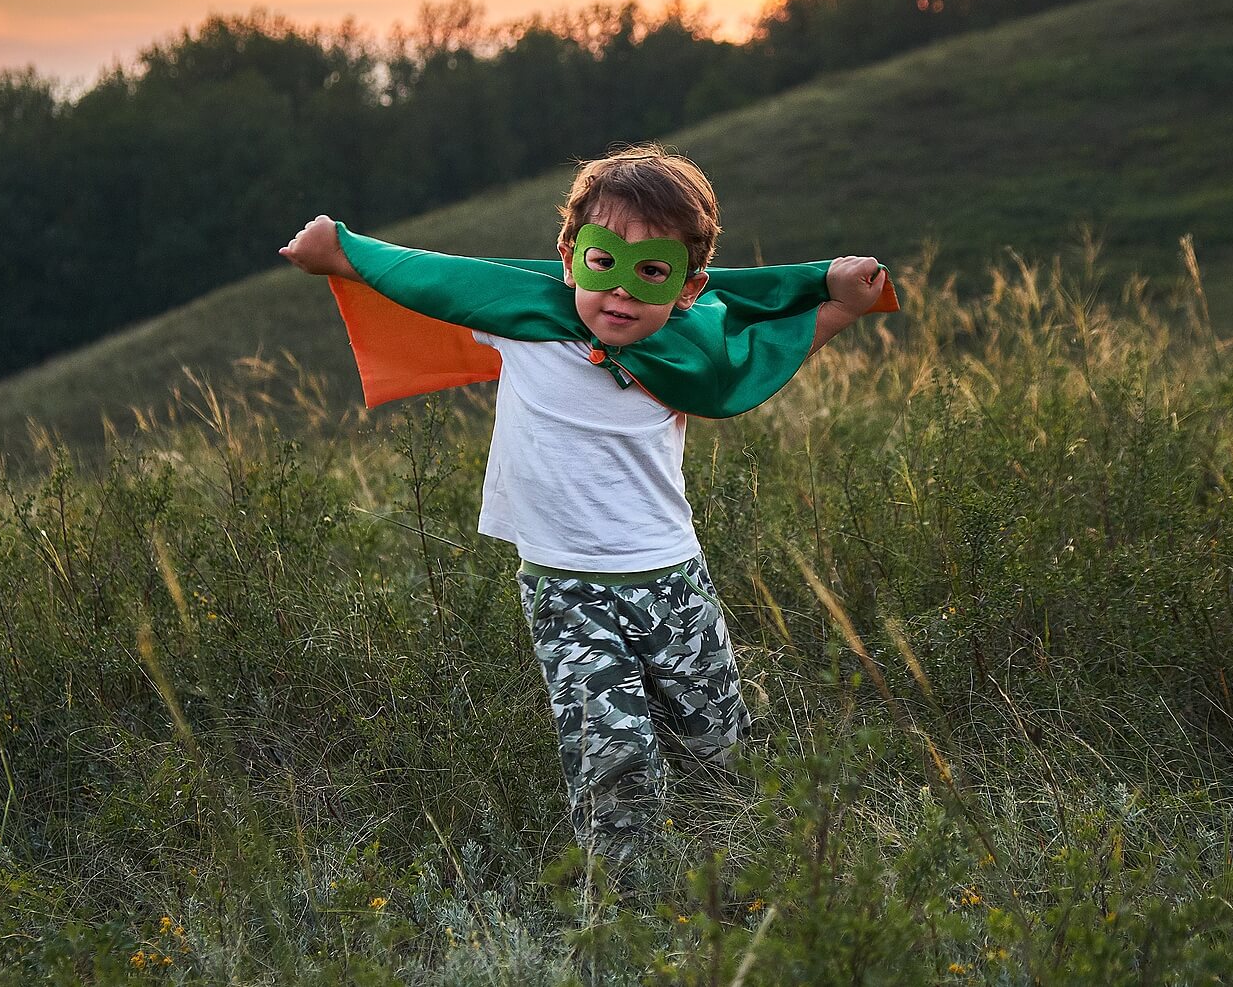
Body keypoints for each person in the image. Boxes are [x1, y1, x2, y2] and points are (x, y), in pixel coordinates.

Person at [279, 144, 891, 865]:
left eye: (651, 273)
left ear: (687, 287)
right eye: (604, 264)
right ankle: (628, 916)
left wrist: (840, 298)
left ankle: (739, 882)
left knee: (718, 748)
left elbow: (767, 335)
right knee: (616, 758)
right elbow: (431, 278)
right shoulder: (519, 318)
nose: (622, 293)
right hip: (567, 592)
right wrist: (341, 252)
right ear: (570, 256)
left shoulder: (687, 347)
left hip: (673, 582)